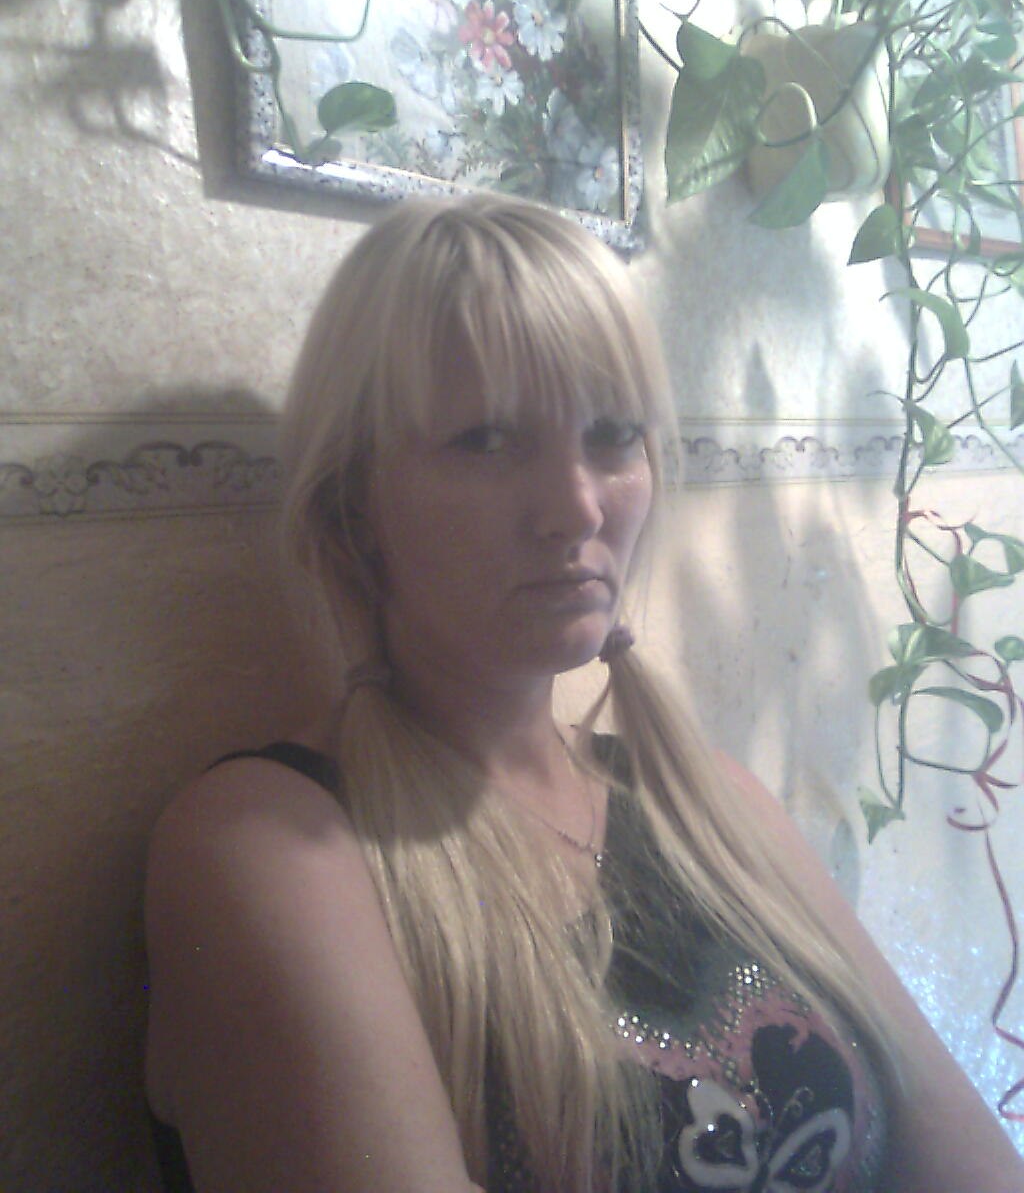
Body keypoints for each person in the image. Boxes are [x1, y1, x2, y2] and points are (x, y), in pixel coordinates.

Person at [144, 195, 1024, 1193]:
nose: (576, 507)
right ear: (354, 504)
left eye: (612, 436)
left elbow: (966, 1156)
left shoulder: (712, 803)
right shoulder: (274, 847)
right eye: (486, 440)